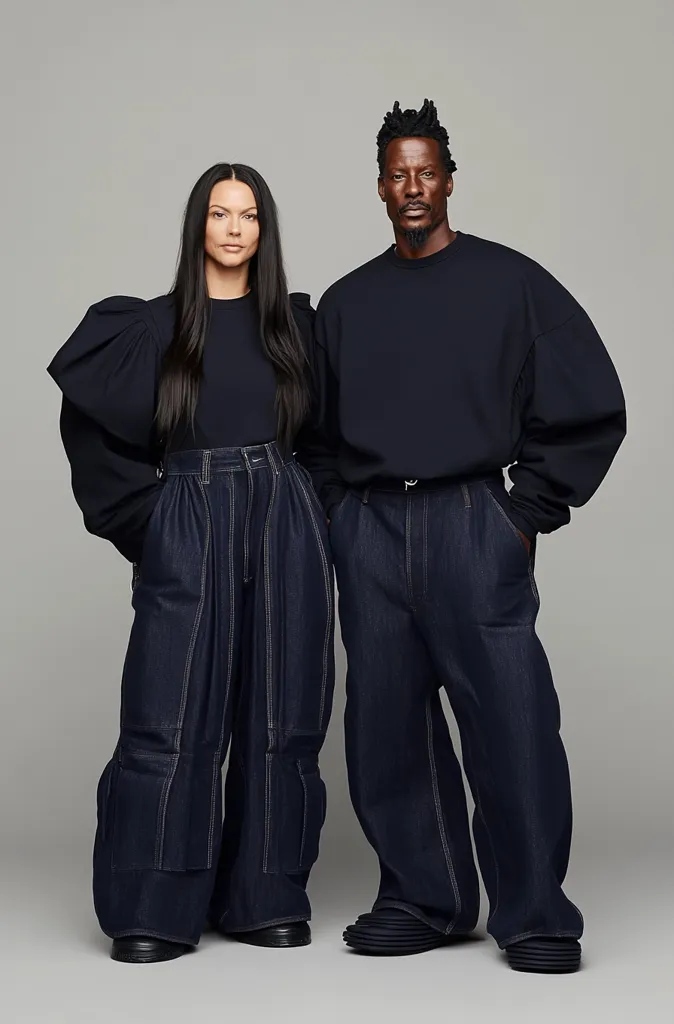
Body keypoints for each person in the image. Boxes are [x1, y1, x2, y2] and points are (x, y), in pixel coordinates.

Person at [299, 100, 626, 973]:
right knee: (385, 727)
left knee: (512, 724)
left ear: (449, 177)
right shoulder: (347, 301)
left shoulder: (513, 284)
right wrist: (339, 515)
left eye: (427, 170)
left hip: (474, 522)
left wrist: (524, 514)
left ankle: (536, 915)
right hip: (369, 530)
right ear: (379, 187)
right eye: (397, 173)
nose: (413, 186)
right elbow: (317, 436)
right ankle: (425, 897)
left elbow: (589, 402)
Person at [48, 163, 335, 964]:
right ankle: (155, 906)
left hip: (283, 513)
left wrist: (311, 516)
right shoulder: (149, 328)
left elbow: (328, 443)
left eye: (249, 214)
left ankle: (265, 896)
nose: (235, 227)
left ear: (264, 231)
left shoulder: (296, 330)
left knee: (283, 716)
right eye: (219, 213)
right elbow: (93, 440)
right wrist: (154, 524)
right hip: (189, 510)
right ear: (197, 227)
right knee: (168, 717)